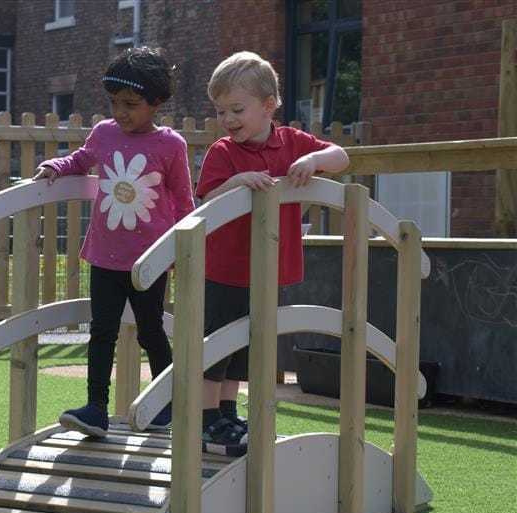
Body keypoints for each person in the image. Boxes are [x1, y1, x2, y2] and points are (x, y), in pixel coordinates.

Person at [34, 46, 195, 437]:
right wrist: (55, 166)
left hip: (149, 261)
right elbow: (81, 159)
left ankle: (167, 406)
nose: (120, 112)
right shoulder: (104, 133)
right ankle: (96, 409)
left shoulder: (171, 145)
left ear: (156, 103)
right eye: (114, 103)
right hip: (105, 256)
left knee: (151, 332)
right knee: (101, 331)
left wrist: (181, 251)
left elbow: (183, 201)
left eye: (130, 104)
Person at [195, 51, 349, 456]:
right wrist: (237, 181)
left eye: (237, 110)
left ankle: (226, 413)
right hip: (225, 268)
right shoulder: (223, 152)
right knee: (218, 343)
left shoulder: (292, 143)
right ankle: (206, 418)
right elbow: (207, 200)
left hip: (267, 266)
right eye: (220, 111)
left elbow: (342, 157)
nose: (227, 119)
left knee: (244, 344)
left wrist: (313, 159)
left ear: (268, 106)